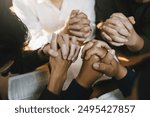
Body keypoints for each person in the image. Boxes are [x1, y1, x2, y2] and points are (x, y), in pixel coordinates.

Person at [13, 0, 95, 50]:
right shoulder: (23, 1)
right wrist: (64, 33)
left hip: (81, 49)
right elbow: (33, 42)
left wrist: (85, 29)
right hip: (47, 56)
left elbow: (91, 26)